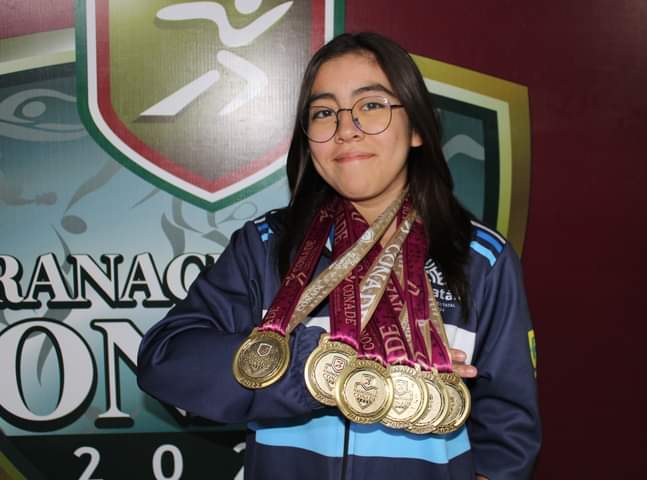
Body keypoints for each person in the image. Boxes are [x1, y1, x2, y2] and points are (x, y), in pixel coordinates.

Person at [138, 32, 541, 480]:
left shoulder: (480, 259)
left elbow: (506, 440)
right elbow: (166, 358)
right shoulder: (266, 246)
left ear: (417, 129)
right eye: (325, 112)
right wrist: (314, 370)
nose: (346, 128)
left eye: (372, 105)